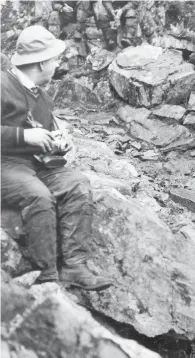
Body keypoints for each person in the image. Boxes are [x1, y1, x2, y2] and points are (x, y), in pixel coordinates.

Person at [1, 25, 112, 290]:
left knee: (77, 184)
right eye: (54, 60)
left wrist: (57, 143)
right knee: (38, 196)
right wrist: (24, 137)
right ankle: (48, 278)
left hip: (33, 165)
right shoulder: (2, 85)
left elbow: (48, 135)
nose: (57, 65)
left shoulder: (43, 97)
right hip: (4, 165)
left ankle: (74, 266)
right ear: (40, 63)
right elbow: (25, 136)